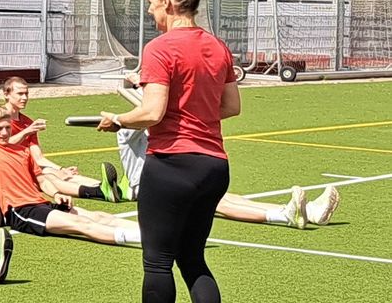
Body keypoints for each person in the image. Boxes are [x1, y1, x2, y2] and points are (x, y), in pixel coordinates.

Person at [98, 0, 241, 303]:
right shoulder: (217, 46)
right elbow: (231, 106)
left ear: (168, 2)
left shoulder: (160, 47)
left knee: (157, 261)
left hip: (172, 165)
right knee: (192, 258)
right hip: (213, 166)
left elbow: (152, 112)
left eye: (150, 3)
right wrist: (191, 108)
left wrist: (117, 118)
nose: (149, 11)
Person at [0, 91, 135, 260]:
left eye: (7, 127)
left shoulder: (22, 151)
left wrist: (56, 194)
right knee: (82, 225)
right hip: (20, 211)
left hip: (42, 203)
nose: (4, 132)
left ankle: (152, 234)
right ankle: (144, 241)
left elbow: (41, 179)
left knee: (100, 216)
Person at [106, 82, 338, 229]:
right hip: (152, 188)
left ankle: (310, 213)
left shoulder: (155, 118)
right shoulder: (129, 126)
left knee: (227, 197)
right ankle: (284, 216)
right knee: (220, 203)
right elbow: (150, 116)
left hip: (172, 178)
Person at [0, 76, 121, 202]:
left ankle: (112, 189)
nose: (24, 98)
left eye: (26, 93)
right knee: (48, 176)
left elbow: (38, 158)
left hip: (25, 166)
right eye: (20, 94)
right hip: (5, 168)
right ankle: (99, 192)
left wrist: (62, 169)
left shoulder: (27, 123)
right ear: (6, 94)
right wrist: (27, 131)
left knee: (61, 174)